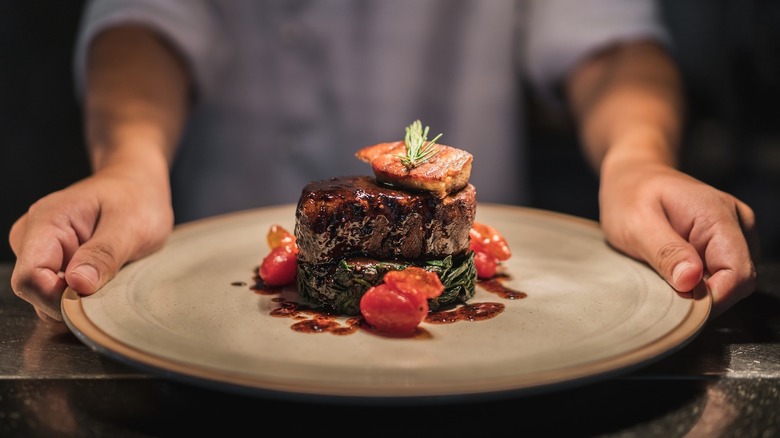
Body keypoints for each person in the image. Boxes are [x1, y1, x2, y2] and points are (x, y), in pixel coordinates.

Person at [9, 0, 758, 322]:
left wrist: (635, 158)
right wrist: (131, 162)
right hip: (201, 285)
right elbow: (141, 21)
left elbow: (611, 36)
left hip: (483, 367)